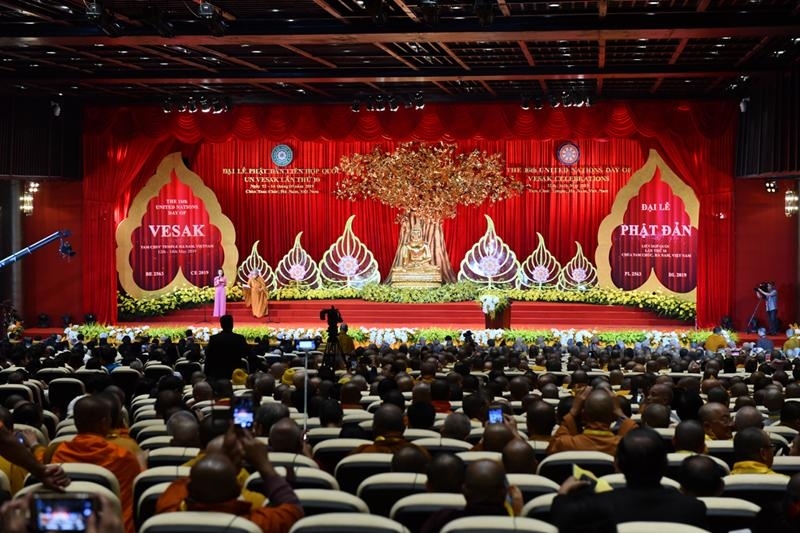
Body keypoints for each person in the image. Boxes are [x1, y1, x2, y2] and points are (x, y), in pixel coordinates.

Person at [551, 427, 707, 531]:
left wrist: (562, 496)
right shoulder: (694, 509)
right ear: (666, 465)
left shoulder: (598, 506)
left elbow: (562, 521)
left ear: (617, 465)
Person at [157, 426, 303, 533]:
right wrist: (264, 465)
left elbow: (190, 483)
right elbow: (294, 509)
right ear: (238, 488)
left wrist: (218, 458)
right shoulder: (257, 524)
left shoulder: (167, 512)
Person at [50, 395, 142, 533]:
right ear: (105, 422)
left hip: (69, 526)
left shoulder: (58, 453)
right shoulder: (122, 457)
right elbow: (134, 499)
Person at [420, 459, 522, 533]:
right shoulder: (522, 526)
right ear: (505, 492)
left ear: (464, 492)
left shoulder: (442, 520)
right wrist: (519, 517)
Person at [203, 314, 249, 381]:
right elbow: (248, 354)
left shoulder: (214, 339)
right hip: (236, 375)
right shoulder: (239, 338)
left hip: (218, 375)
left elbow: (208, 354)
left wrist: (207, 374)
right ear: (232, 324)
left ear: (221, 325)